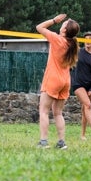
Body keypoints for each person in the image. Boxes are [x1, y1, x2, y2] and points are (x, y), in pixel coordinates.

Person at [36, 14, 80, 149]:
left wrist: (54, 20)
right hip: (65, 81)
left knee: (43, 111)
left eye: (64, 24)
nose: (62, 24)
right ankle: (61, 143)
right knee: (58, 113)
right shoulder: (73, 44)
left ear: (64, 30)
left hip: (53, 79)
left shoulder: (57, 40)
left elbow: (39, 27)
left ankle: (43, 142)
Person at [71, 31, 91, 140]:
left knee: (85, 109)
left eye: (90, 39)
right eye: (85, 39)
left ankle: (83, 135)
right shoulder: (78, 52)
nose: (87, 41)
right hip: (78, 84)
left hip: (89, 86)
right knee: (88, 105)